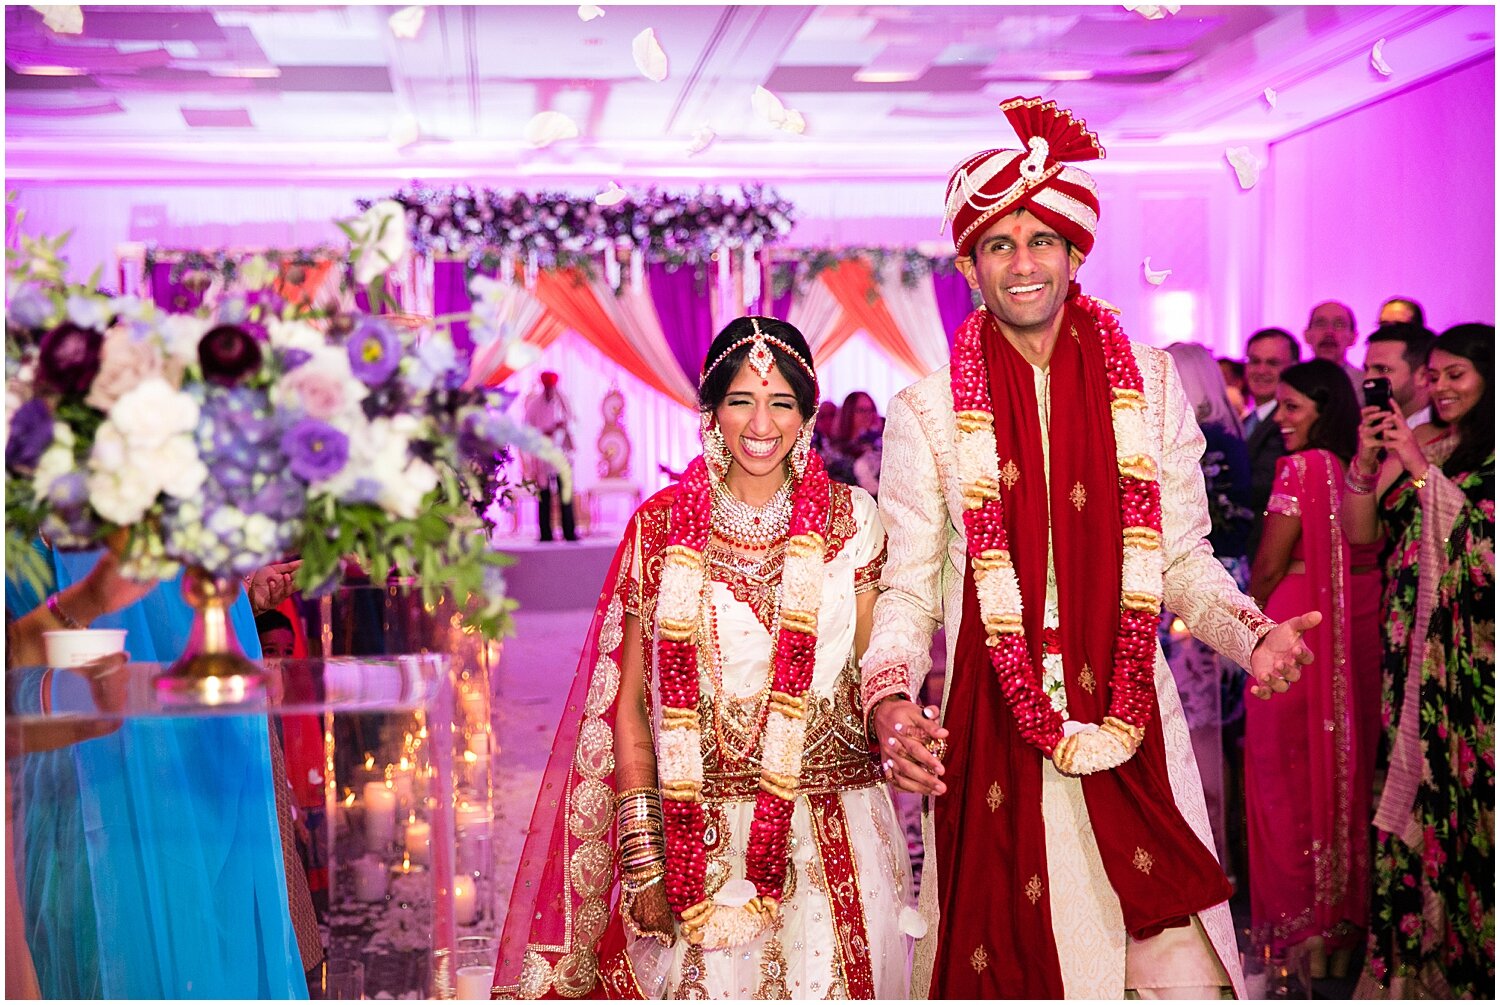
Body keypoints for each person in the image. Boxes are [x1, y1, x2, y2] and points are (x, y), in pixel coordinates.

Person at [859, 95, 1320, 999]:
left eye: (1041, 240)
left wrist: (1250, 633)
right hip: (997, 730)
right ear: (970, 263)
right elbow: (909, 593)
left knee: (1179, 972)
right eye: (999, 243)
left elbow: (1180, 557)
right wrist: (888, 699)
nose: (1022, 262)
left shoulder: (1145, 384)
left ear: (1075, 252)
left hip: (1130, 715)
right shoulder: (927, 414)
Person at [493, 317, 913, 999]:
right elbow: (628, 704)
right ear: (713, 407)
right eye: (741, 398)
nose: (761, 422)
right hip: (701, 841)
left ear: (806, 414)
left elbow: (874, 669)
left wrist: (899, 718)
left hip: (835, 825)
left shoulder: (853, 519)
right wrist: (643, 857)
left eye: (781, 402)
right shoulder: (661, 527)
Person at [5, 545, 312, 998]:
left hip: (202, 781)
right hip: (91, 804)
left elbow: (163, 616)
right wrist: (71, 670)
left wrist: (237, 596)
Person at [1341, 323, 1494, 999]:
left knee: (1463, 804)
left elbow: (1483, 550)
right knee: (1408, 803)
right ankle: (1413, 968)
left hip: (1469, 671)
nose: (1440, 387)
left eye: (1456, 373)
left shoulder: (1486, 457)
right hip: (1410, 654)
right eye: (1433, 375)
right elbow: (1361, 531)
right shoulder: (1424, 442)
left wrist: (1420, 465)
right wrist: (1368, 463)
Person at [1245, 359, 1378, 979]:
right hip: (1341, 630)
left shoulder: (1297, 468)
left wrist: (1244, 622)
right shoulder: (1353, 470)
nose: (1282, 418)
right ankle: (1336, 930)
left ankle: (1296, 934)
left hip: (1287, 627)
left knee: (1280, 777)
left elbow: (1270, 561)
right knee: (1331, 774)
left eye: (1294, 407)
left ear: (1325, 409)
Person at [1243, 327, 1299, 556]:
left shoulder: (1290, 424)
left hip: (1267, 549)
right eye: (1255, 361)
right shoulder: (1246, 420)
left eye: (1273, 363)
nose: (1261, 370)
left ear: (1293, 368)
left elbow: (1264, 486)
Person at [522, 370, 578, 542]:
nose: (549, 390)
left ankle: (569, 532)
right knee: (544, 496)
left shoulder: (563, 402)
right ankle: (545, 533)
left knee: (565, 494)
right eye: (547, 387)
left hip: (561, 455)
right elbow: (526, 430)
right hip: (543, 457)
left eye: (551, 387)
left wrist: (563, 427)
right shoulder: (534, 405)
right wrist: (543, 432)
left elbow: (575, 423)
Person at [1363, 322, 1435, 429]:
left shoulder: (1449, 433)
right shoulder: (1367, 426)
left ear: (1423, 376)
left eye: (1383, 369)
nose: (1367, 379)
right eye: (1366, 369)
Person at [823, 390, 882, 488]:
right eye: (861, 410)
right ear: (848, 413)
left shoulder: (880, 446)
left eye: (871, 410)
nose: (867, 415)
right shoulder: (834, 450)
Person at [1304, 300, 1364, 391]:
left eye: (1339, 325)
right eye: (1320, 324)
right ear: (1307, 335)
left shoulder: (1363, 384)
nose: (1329, 332)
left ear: (1353, 337)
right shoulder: (1291, 381)